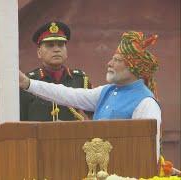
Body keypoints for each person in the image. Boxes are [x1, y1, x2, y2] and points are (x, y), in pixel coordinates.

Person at [19, 31, 161, 160]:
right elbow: (68, 94)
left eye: (117, 60)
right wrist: (28, 83)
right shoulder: (107, 91)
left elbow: (149, 153)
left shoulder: (146, 102)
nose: (109, 64)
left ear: (133, 67)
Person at [20, 21, 92, 121]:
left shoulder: (80, 79)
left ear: (66, 51)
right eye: (50, 45)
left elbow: (95, 115)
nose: (56, 49)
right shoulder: (29, 81)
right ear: (39, 52)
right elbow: (20, 120)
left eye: (61, 45)